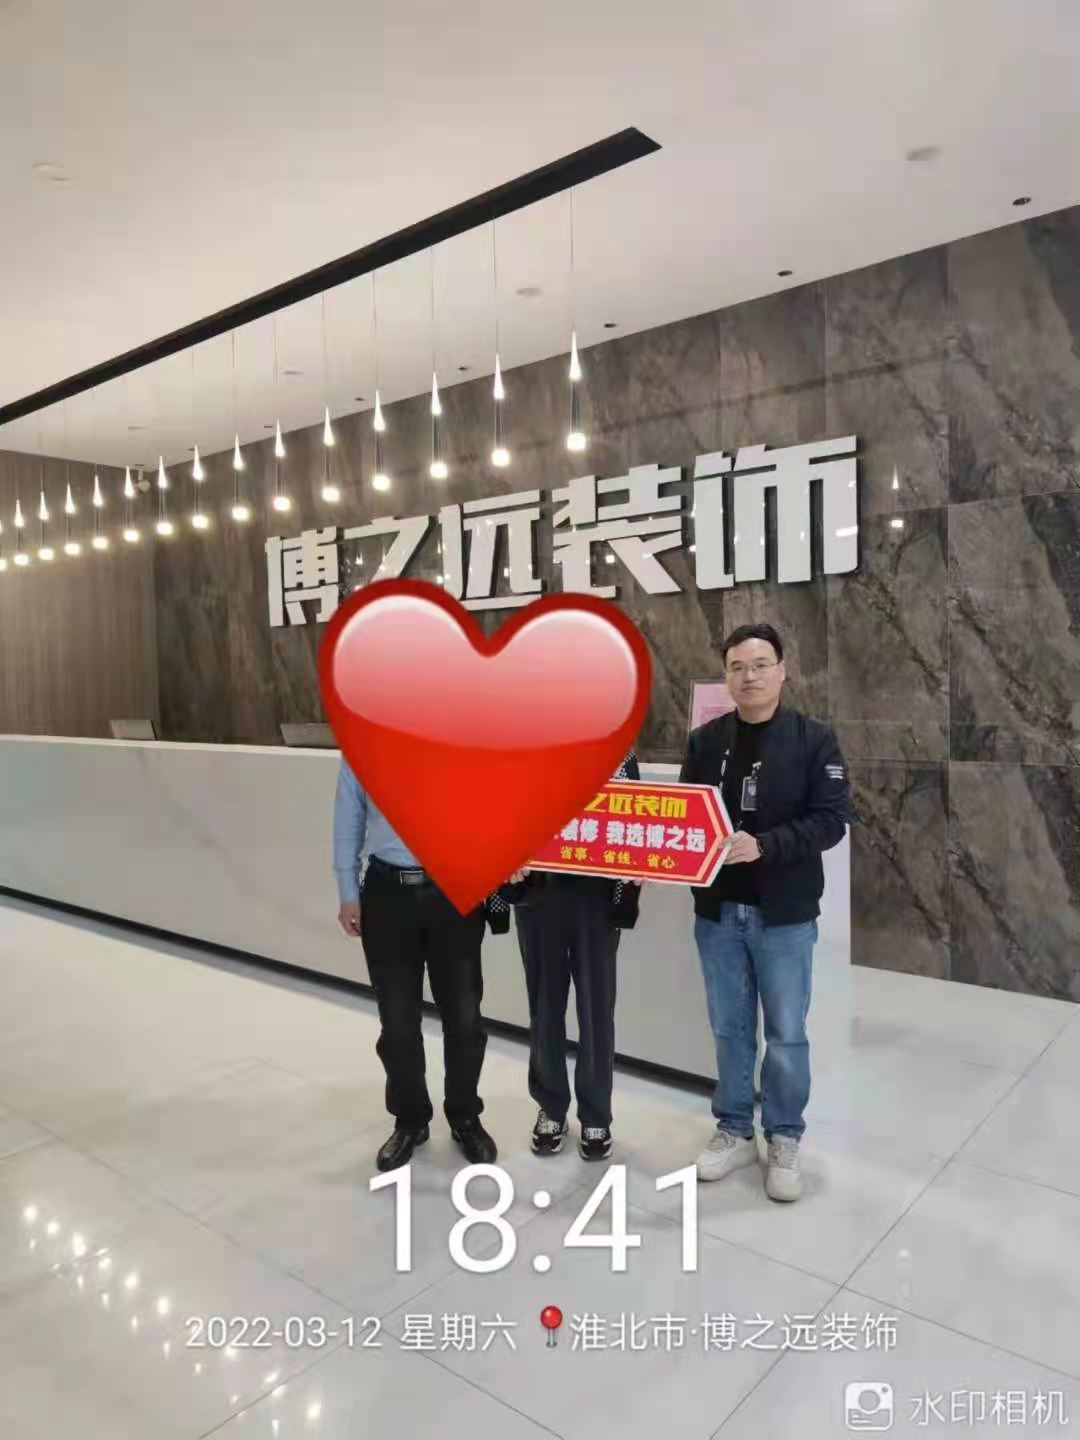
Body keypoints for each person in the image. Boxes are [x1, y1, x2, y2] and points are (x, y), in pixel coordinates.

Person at [680, 624, 848, 1202]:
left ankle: (783, 1135)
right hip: (718, 913)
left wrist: (766, 845)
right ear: (725, 677)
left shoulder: (813, 740)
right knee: (729, 1028)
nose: (748, 676)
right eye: (737, 667)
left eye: (759, 665)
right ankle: (732, 1127)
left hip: (784, 916)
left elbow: (831, 820)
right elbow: (685, 816)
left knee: (785, 1033)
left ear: (782, 670)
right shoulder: (705, 742)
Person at [333, 758, 504, 1172]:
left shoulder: (459, 739)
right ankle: (410, 1120)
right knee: (397, 1021)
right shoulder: (364, 744)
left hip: (455, 890)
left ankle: (464, 1115)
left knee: (464, 1016)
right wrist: (347, 891)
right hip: (387, 893)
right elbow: (348, 819)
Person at [508, 753, 641, 1162]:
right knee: (545, 1006)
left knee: (596, 1009)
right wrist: (504, 856)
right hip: (539, 892)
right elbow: (500, 813)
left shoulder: (618, 754)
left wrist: (636, 863)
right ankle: (551, 1106)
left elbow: (637, 819)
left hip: (596, 897)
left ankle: (596, 1114)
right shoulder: (521, 749)